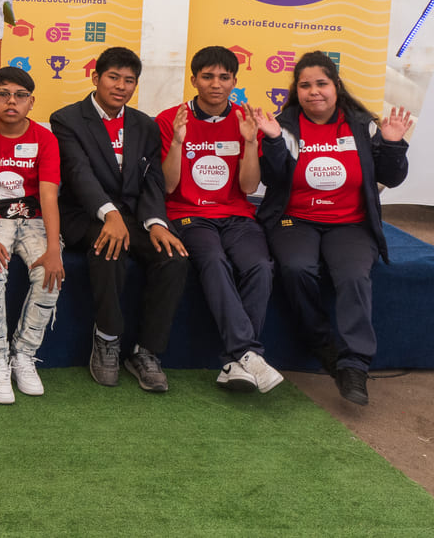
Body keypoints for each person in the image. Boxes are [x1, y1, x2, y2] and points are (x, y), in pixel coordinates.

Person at [254, 51, 411, 406]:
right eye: (305, 85)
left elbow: (390, 177)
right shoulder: (285, 125)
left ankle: (354, 364)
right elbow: (272, 178)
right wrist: (274, 141)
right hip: (295, 220)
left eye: (321, 83)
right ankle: (322, 343)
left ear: (336, 86)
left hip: (350, 223)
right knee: (296, 268)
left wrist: (391, 144)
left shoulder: (361, 125)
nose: (314, 92)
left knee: (353, 276)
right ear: (296, 90)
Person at [50, 46, 188, 393]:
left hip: (133, 215)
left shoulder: (144, 124)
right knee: (109, 245)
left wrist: (157, 223)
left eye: (129, 80)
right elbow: (79, 174)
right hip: (85, 213)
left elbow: (153, 179)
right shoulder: (66, 119)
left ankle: (147, 352)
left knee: (174, 256)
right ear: (95, 77)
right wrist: (108, 213)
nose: (121, 86)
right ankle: (107, 338)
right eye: (114, 77)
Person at [157, 46, 281, 394]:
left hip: (237, 216)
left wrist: (251, 142)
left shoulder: (245, 119)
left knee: (260, 266)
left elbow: (249, 187)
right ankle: (248, 353)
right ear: (193, 79)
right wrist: (177, 144)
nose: (216, 84)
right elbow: (167, 187)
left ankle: (235, 361)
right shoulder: (170, 119)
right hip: (188, 215)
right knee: (213, 260)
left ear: (234, 82)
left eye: (224, 77)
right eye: (207, 76)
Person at [0, 66, 64, 403]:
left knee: (50, 274)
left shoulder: (44, 138)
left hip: (33, 219)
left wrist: (54, 248)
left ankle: (24, 354)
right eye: (4, 94)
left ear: (31, 102)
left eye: (20, 96)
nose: (12, 101)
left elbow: (49, 195)